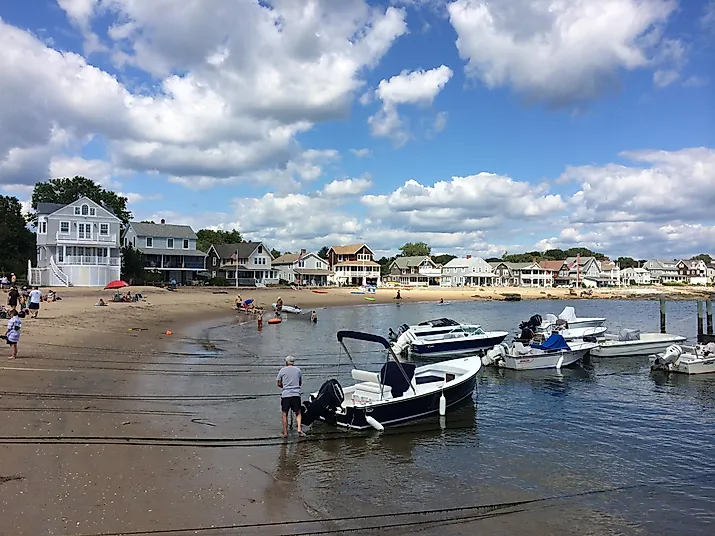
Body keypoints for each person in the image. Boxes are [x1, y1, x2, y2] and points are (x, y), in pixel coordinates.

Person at [276, 355, 304, 437]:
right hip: (296, 394)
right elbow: (300, 383)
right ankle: (299, 429)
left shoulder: (282, 370)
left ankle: (285, 432)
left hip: (286, 395)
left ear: (286, 362)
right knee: (298, 412)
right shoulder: (298, 370)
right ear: (293, 362)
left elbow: (278, 383)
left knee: (284, 413)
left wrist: (284, 387)